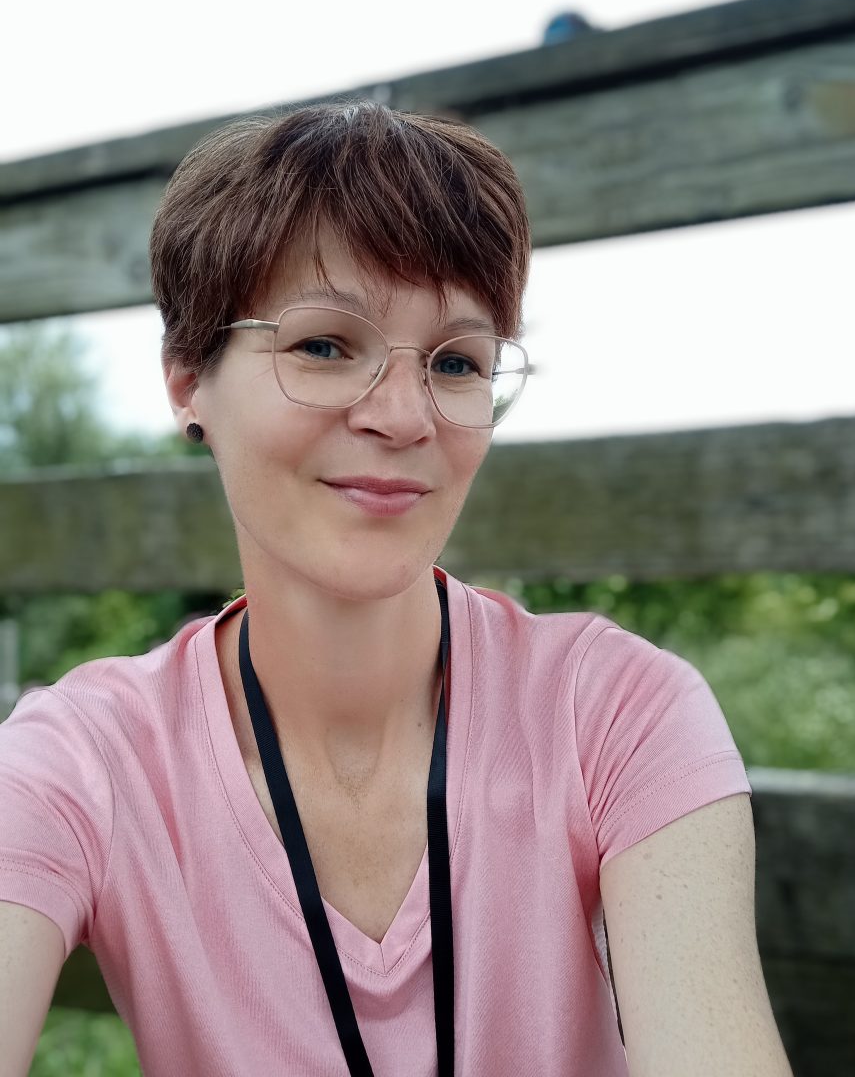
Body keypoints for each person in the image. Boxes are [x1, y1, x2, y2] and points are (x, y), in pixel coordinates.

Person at [0, 102, 793, 1077]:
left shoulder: (619, 714)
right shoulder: (83, 762)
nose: (405, 415)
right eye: (324, 345)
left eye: (456, 361)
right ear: (186, 380)